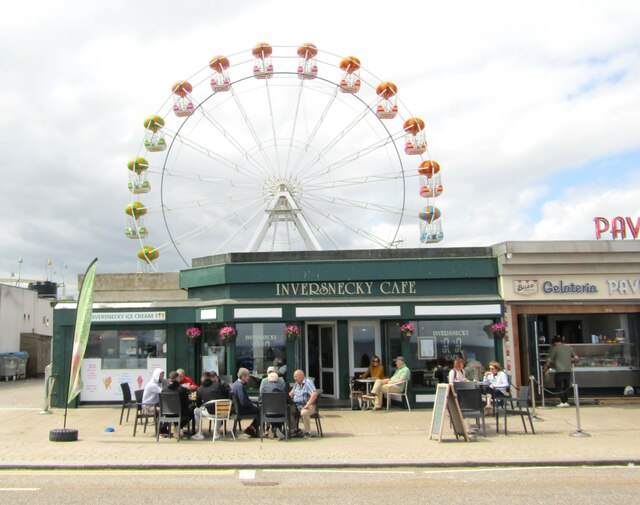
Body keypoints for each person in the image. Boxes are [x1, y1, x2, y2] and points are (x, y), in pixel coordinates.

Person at [191, 371, 231, 440]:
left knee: (196, 411)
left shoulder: (200, 389)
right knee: (217, 408)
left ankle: (200, 433)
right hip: (224, 411)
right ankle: (216, 434)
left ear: (203, 378)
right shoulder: (218, 385)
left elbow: (198, 404)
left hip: (210, 413)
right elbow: (226, 394)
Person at [544, 335, 579, 407]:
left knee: (558, 386)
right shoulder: (568, 348)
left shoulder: (555, 348)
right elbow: (576, 358)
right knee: (566, 387)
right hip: (568, 371)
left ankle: (563, 402)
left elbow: (549, 359)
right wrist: (572, 361)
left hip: (560, 371)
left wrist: (546, 367)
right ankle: (566, 401)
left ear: (555, 342)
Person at [162, 371, 195, 437]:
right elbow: (187, 403)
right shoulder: (182, 389)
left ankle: (177, 426)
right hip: (180, 413)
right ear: (177, 378)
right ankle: (179, 427)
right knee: (193, 409)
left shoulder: (164, 389)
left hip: (167, 413)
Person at [230, 367, 260, 438]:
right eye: (248, 376)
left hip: (236, 409)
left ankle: (251, 428)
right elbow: (244, 402)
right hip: (241, 410)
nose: (249, 378)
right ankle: (251, 428)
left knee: (258, 409)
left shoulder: (235, 384)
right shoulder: (240, 386)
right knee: (260, 411)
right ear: (243, 376)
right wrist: (252, 404)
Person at [289, 369, 318, 438]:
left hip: (308, 405)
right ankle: (294, 430)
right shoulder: (296, 384)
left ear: (302, 376)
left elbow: (315, 393)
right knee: (287, 410)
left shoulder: (308, 382)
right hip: (297, 405)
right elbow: (291, 394)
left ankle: (308, 432)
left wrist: (308, 404)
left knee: (304, 412)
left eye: (296, 376)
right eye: (294, 377)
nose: (294, 378)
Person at [261, 371, 288, 440]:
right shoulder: (282, 388)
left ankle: (273, 429)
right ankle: (277, 428)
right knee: (283, 409)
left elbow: (260, 400)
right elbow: (288, 400)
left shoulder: (264, 389)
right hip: (280, 414)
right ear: (277, 380)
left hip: (267, 414)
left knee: (272, 410)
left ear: (268, 380)